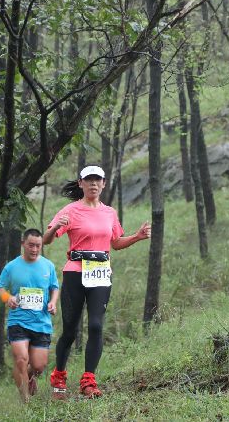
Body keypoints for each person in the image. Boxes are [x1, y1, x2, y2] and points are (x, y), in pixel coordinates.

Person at [43, 165, 151, 399]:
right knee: (70, 329)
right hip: (74, 272)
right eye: (88, 179)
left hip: (101, 272)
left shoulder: (109, 213)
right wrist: (57, 228)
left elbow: (116, 242)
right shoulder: (70, 210)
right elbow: (46, 240)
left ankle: (88, 381)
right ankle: (59, 377)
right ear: (80, 183)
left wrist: (137, 237)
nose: (93, 183)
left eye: (97, 180)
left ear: (103, 184)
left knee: (95, 326)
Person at [0, 228, 60, 401]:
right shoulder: (12, 267)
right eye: (31, 245)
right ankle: (25, 401)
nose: (34, 249)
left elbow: (55, 287)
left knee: (39, 366)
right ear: (23, 244)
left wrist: (53, 302)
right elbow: (0, 288)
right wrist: (7, 298)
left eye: (38, 246)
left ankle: (30, 376)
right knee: (21, 359)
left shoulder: (48, 266)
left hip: (41, 322)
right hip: (18, 321)